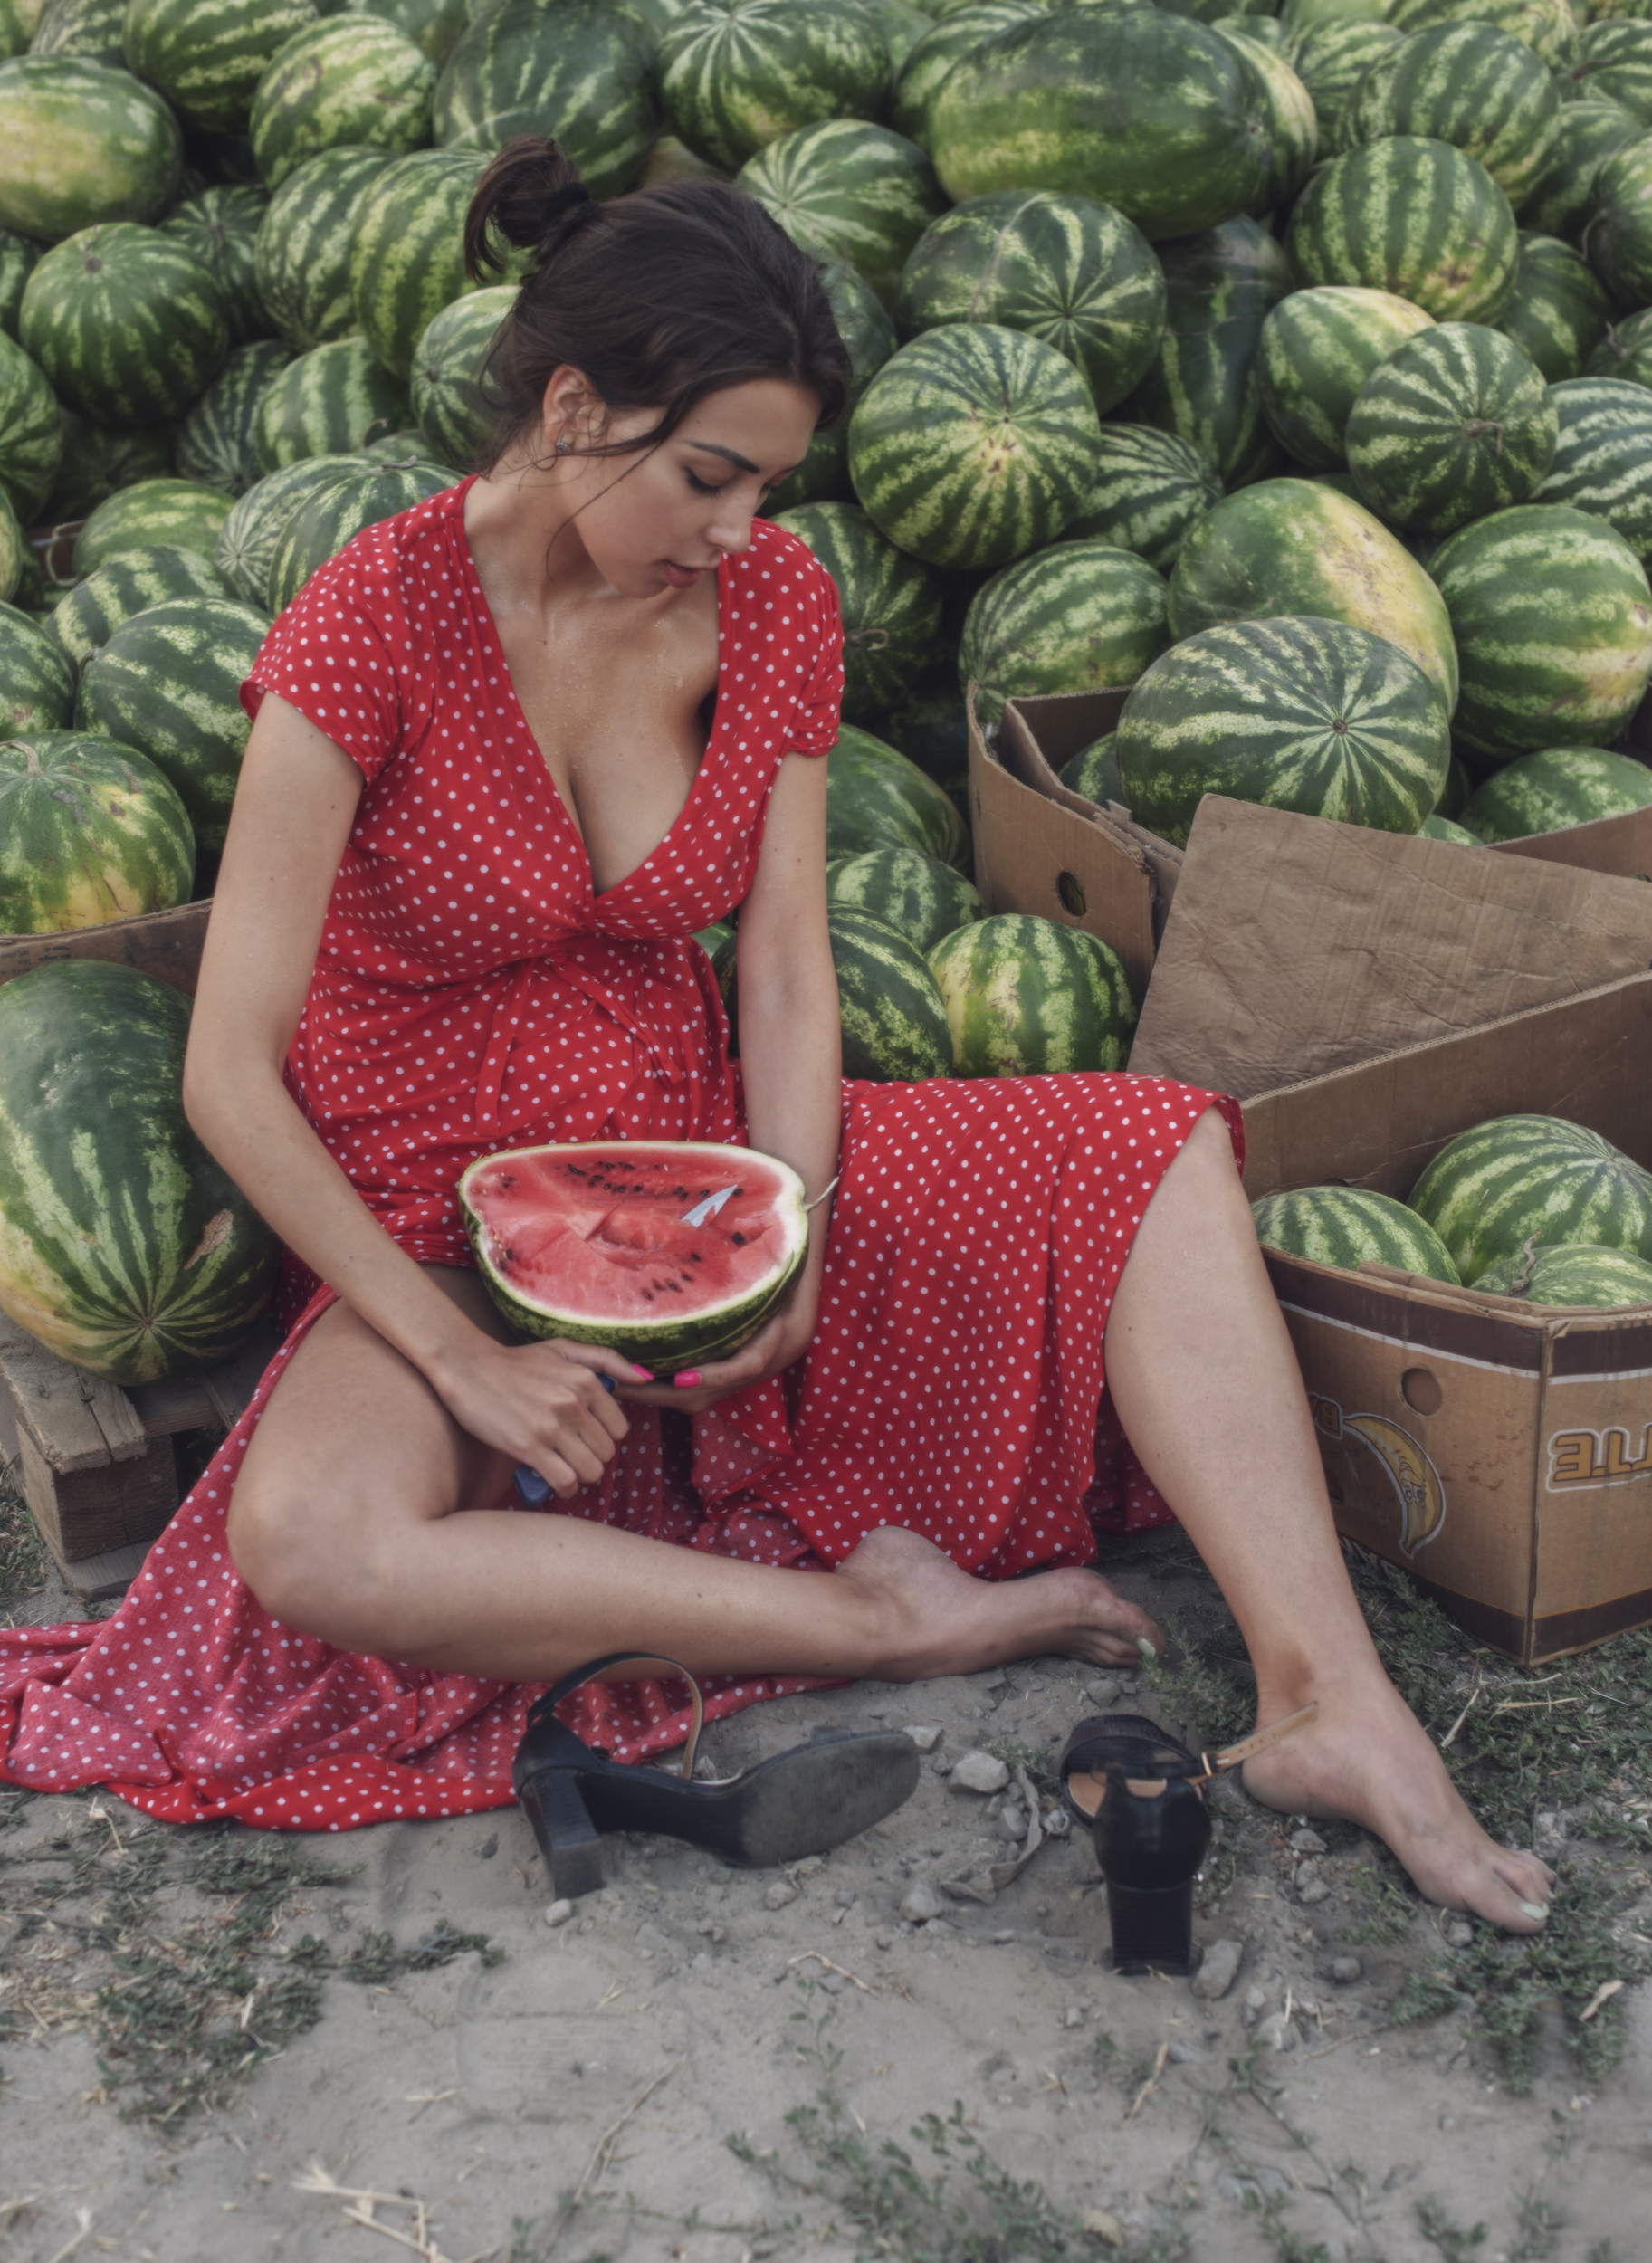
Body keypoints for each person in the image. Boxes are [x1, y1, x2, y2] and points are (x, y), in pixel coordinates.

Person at [0, 142, 1552, 1934]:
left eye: (770, 484)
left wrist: (790, 1225)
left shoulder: (770, 598)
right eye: (709, 476)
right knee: (308, 1537)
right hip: (433, 1209)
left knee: (1150, 1145)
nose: (741, 528)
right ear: (576, 409)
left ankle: (1325, 1700)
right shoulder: (367, 621)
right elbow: (227, 1070)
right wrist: (460, 1354)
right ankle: (881, 1613)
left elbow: (791, 970)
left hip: (698, 1142)